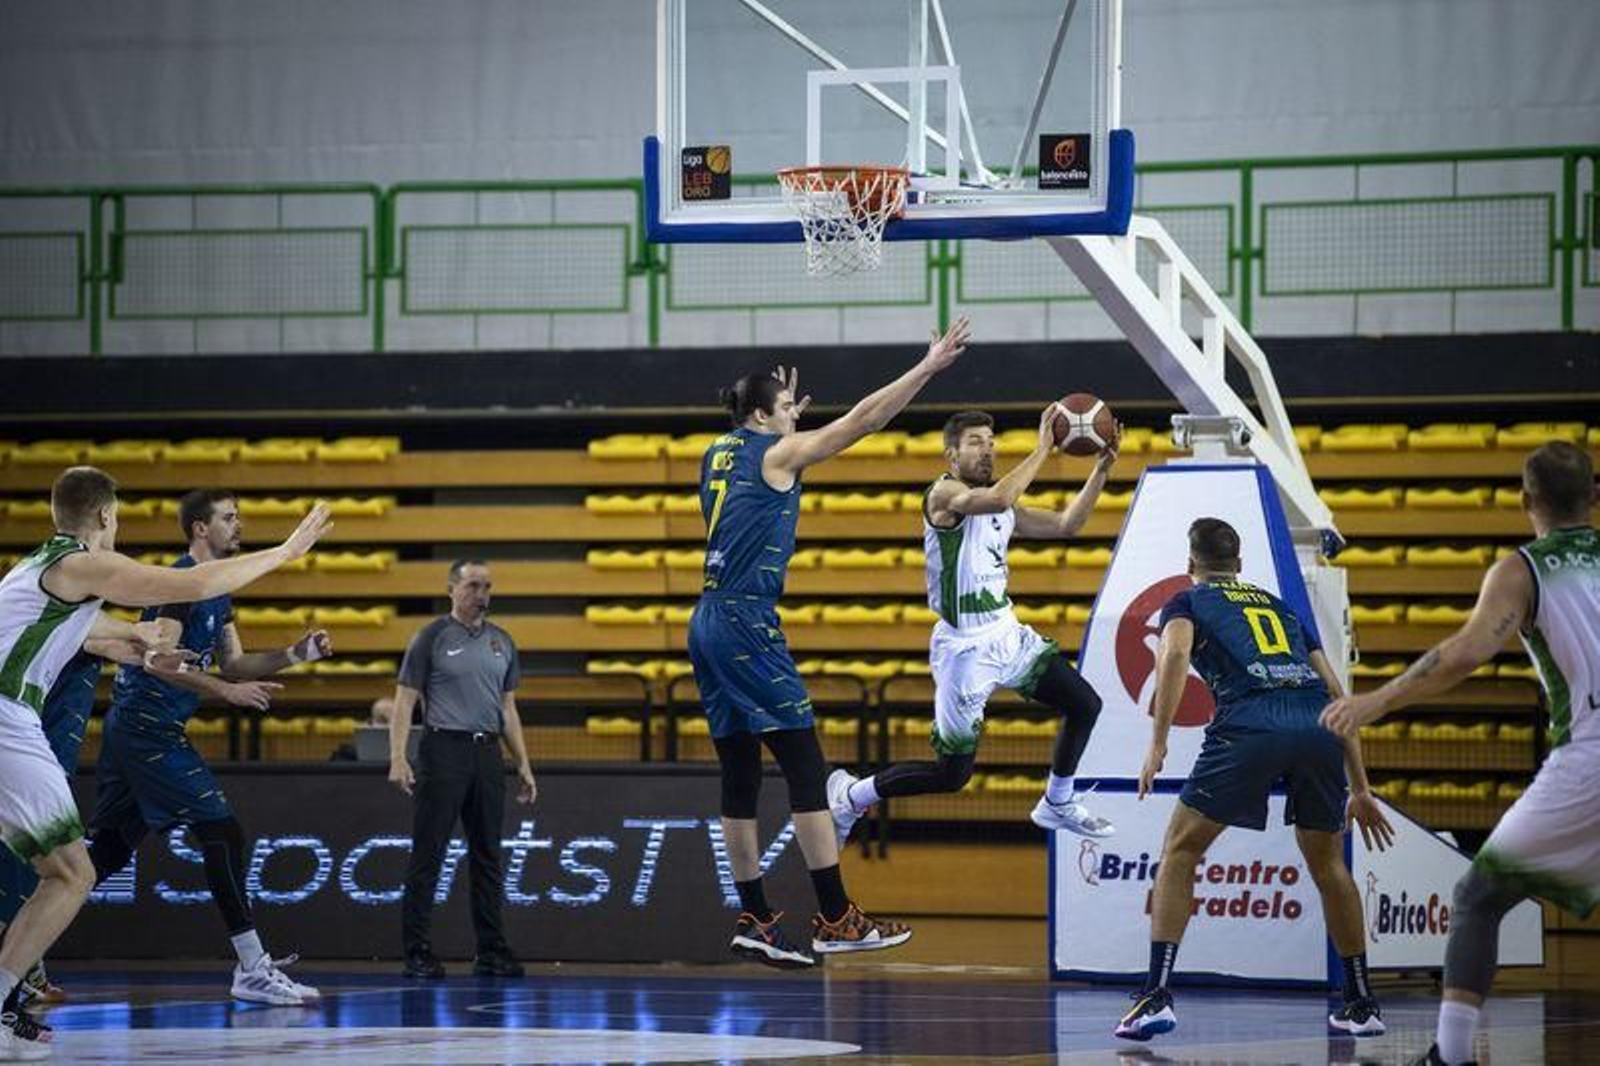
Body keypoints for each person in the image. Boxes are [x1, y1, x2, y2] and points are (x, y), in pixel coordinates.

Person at [0, 467, 328, 1060]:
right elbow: (192, 583)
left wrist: (144, 645)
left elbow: (101, 636)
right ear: (106, 515)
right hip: (10, 719)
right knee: (73, 874)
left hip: (15, 720)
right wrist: (285, 552)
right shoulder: (79, 562)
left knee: (73, 866)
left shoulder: (39, 570)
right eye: (117, 516)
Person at [688, 317, 972, 970]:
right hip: (746, 620)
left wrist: (784, 422)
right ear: (763, 415)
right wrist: (927, 366)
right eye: (787, 405)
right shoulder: (778, 453)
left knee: (739, 772)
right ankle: (837, 917)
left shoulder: (717, 452)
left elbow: (760, 468)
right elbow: (865, 421)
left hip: (706, 618)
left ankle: (756, 917)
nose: (796, 412)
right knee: (805, 768)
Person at [1321, 441, 1599, 1066]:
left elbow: (1466, 654)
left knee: (1479, 897)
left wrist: (1376, 701)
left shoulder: (1522, 571)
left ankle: (1450, 1056)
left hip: (1590, 757)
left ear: (1525, 500)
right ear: (1595, 496)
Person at [1117, 517, 1394, 1043]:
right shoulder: (1280, 607)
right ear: (1239, 564)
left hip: (1252, 722)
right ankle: (1361, 1003)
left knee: (1180, 849)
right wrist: (1360, 787)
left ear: (1191, 564)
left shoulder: (1186, 601)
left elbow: (1173, 653)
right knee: (1329, 864)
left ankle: (1155, 995)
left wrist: (1158, 742)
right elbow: (1338, 694)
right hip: (1317, 722)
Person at [84, 488, 335, 1008]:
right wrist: (224, 691)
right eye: (229, 517)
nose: (239, 524)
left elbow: (235, 663)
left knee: (104, 854)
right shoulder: (180, 585)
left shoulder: (218, 591)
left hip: (141, 732)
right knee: (222, 832)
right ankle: (252, 967)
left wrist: (296, 654)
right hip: (146, 728)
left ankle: (18, 945)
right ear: (200, 528)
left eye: (239, 515)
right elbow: (159, 661)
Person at [828, 406, 1119, 845]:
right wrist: (1043, 448)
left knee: (1085, 704)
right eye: (975, 442)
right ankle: (852, 795)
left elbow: (1067, 524)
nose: (988, 450)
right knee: (952, 775)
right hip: (964, 649)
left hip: (1006, 633)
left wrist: (1101, 470)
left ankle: (1057, 802)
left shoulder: (1004, 505)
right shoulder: (944, 494)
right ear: (952, 455)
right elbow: (998, 497)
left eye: (991, 442)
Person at [0, 619, 185, 1011]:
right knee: (56, 870)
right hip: (26, 740)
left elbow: (104, 643)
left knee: (51, 868)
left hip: (37, 738)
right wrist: (140, 636)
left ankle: (25, 968)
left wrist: (150, 653)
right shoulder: (55, 607)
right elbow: (96, 637)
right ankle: (17, 976)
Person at [387, 560, 536, 980]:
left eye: (486, 586)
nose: (481, 594)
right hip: (443, 749)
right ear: (451, 589)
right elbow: (404, 701)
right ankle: (417, 951)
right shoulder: (431, 637)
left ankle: (491, 950)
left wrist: (523, 763)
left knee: (488, 855)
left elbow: (508, 709)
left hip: (487, 752)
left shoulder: (502, 641)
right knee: (429, 852)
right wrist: (398, 756)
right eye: (472, 585)